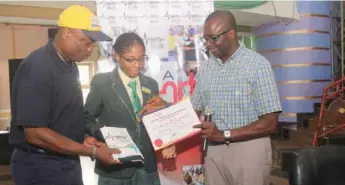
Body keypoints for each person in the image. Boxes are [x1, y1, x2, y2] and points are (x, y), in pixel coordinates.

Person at [9, 5, 120, 185]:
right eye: (87, 41)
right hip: (40, 166)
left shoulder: (70, 66)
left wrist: (83, 139)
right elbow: (35, 133)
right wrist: (90, 152)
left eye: (93, 43)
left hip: (66, 162)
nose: (90, 48)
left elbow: (63, 117)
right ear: (66, 32)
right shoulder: (38, 67)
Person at [192, 10, 282, 185]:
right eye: (206, 39)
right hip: (214, 152)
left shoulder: (257, 65)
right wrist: (164, 110)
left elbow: (270, 122)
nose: (208, 44)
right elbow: (193, 109)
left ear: (231, 34)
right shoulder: (207, 68)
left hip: (249, 151)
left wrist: (224, 134)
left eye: (214, 38)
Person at [84, 32, 174, 185]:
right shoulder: (102, 83)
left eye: (141, 59)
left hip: (146, 167)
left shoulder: (151, 84)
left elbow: (156, 120)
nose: (138, 65)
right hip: (115, 166)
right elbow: (86, 118)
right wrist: (104, 136)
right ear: (117, 56)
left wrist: (167, 142)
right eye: (131, 60)